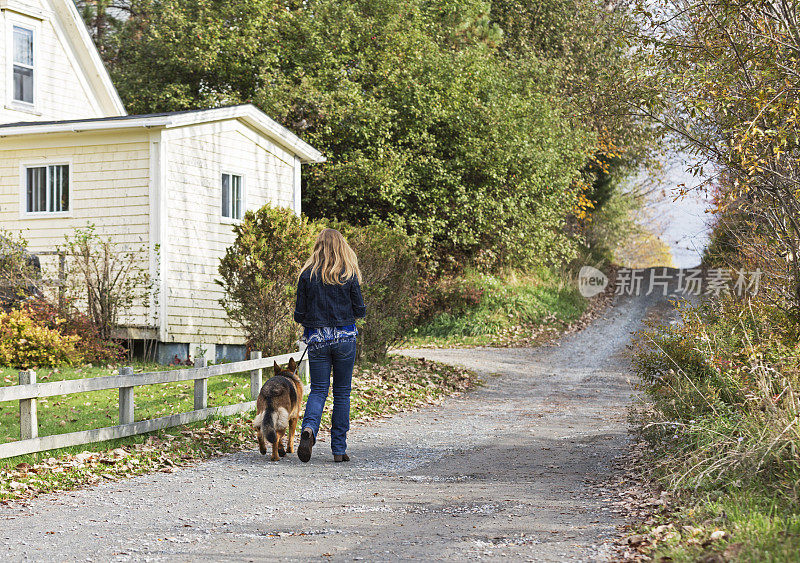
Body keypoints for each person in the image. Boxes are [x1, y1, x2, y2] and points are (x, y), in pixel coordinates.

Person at [294, 228, 366, 463]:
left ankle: (310, 430)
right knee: (342, 393)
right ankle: (338, 449)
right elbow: (360, 310)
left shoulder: (307, 274)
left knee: (319, 390)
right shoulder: (349, 272)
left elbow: (299, 314)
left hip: (318, 340)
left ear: (319, 246)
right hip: (345, 338)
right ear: (341, 246)